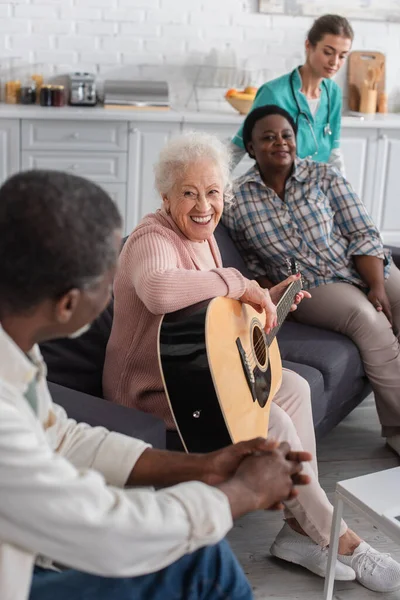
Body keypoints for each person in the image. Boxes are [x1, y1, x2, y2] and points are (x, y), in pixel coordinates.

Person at [103, 131, 400, 593]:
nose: (204, 205)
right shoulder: (151, 238)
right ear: (165, 197)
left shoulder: (205, 239)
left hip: (197, 373)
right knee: (274, 423)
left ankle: (299, 531)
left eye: (213, 192)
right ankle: (343, 541)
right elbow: (160, 291)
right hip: (155, 390)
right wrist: (240, 283)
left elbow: (212, 331)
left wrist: (266, 309)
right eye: (189, 193)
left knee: (296, 388)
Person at [0, 169, 315, 600]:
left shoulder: (16, 346)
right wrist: (241, 493)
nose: (117, 285)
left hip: (26, 554)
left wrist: (205, 466)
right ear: (67, 304)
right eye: (109, 275)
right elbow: (110, 534)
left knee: (206, 560)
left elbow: (58, 435)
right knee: (206, 560)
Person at [223, 103, 400, 460]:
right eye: (268, 137)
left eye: (286, 135)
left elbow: (362, 233)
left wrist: (377, 285)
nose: (280, 143)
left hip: (359, 265)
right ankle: (398, 429)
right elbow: (254, 261)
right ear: (251, 147)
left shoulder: (324, 176)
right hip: (313, 286)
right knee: (371, 322)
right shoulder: (235, 200)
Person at [230, 14, 353, 174]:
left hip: (316, 187)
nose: (335, 62)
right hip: (276, 187)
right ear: (308, 45)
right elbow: (239, 146)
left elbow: (334, 152)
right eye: (328, 52)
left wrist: (344, 190)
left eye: (342, 56)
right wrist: (208, 185)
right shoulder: (274, 93)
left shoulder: (333, 93)